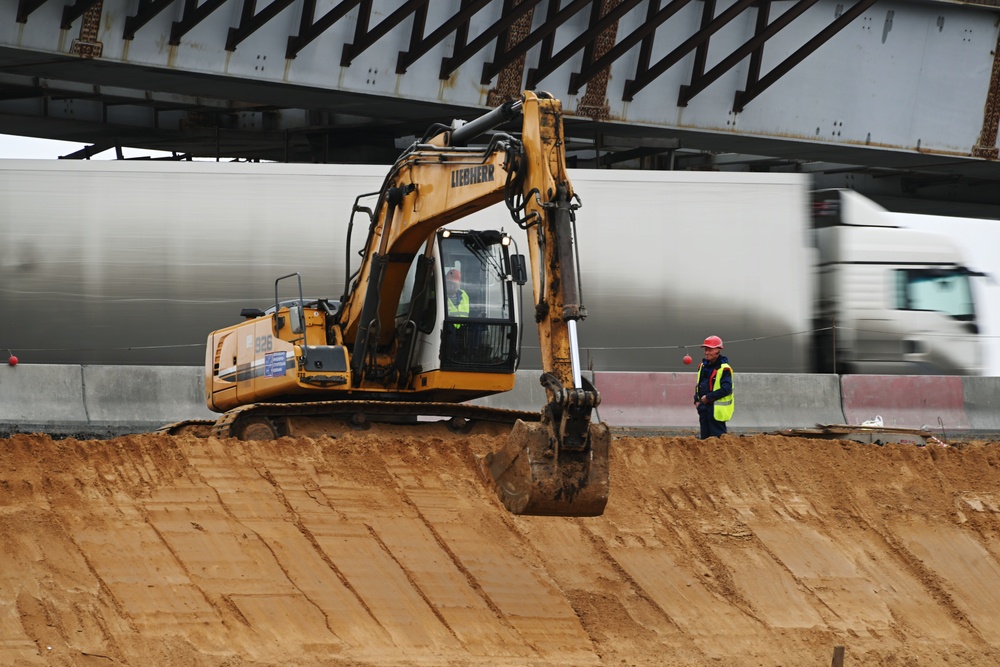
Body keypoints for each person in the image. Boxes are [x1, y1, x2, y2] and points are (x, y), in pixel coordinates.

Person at [693, 335, 734, 439]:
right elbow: (699, 384)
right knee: (705, 441)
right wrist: (697, 401)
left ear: (718, 350)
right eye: (706, 350)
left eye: (710, 350)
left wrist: (708, 398)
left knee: (718, 443)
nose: (707, 352)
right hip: (704, 409)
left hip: (716, 411)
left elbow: (726, 389)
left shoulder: (724, 369)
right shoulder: (702, 366)